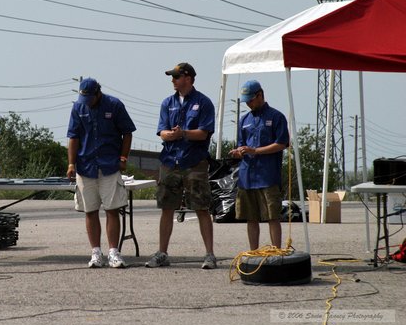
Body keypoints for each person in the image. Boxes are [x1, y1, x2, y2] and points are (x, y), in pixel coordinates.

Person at [146, 62, 217, 269]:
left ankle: (210, 255)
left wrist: (182, 133)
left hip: (194, 162)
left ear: (188, 78)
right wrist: (169, 135)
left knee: (201, 207)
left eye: (176, 77)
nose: (173, 80)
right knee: (167, 207)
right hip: (169, 161)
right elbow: (162, 131)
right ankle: (162, 253)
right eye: (172, 77)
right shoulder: (167, 103)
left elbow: (204, 133)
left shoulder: (204, 103)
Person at [66, 78, 136, 269]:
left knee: (112, 210)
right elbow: (73, 136)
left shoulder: (114, 105)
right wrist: (71, 163)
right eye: (84, 99)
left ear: (98, 93)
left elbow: (127, 132)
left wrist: (123, 158)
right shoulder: (78, 108)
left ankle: (114, 252)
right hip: (85, 165)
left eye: (90, 98)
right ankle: (96, 252)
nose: (87, 103)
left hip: (109, 165)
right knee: (90, 210)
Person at [228, 80, 289, 250]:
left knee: (272, 217)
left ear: (260, 95)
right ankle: (254, 252)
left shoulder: (276, 117)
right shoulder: (244, 120)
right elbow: (242, 145)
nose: (248, 104)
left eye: (251, 100)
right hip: (247, 177)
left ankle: (277, 252)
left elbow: (282, 143)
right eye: (246, 101)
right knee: (251, 218)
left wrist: (255, 150)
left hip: (268, 176)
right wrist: (239, 152)